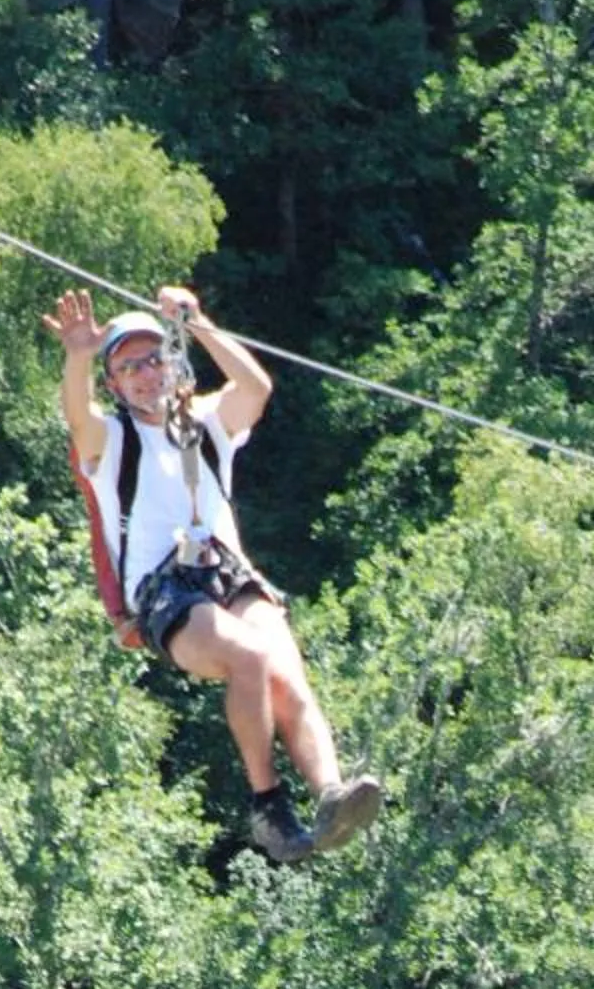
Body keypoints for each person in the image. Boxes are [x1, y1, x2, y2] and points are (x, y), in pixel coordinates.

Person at [43, 281, 382, 864]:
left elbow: (256, 388)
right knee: (247, 658)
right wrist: (79, 356)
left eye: (154, 360)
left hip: (227, 572)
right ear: (115, 385)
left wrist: (197, 322)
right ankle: (269, 808)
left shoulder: (203, 422)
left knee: (285, 672)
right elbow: (77, 420)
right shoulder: (112, 441)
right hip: (163, 591)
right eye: (129, 368)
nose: (146, 375)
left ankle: (331, 794)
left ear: (172, 363)